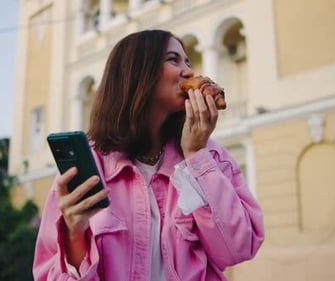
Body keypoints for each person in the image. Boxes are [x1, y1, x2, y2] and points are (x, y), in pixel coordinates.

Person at [33, 29, 264, 281]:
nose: (188, 71)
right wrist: (74, 234)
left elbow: (238, 249)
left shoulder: (211, 155)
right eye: (173, 60)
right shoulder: (90, 165)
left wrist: (196, 156)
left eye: (188, 61)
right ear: (138, 72)